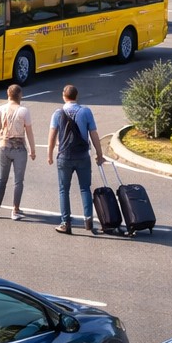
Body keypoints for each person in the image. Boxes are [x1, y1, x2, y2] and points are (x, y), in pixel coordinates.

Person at [47, 83, 105, 234]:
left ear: (63, 96)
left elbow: (52, 136)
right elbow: (93, 134)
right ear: (76, 96)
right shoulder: (86, 112)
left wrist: (49, 154)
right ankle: (88, 221)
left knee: (63, 190)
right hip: (83, 156)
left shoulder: (57, 113)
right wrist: (99, 154)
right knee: (85, 188)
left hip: (64, 157)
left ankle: (66, 223)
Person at [0, 83, 36, 219]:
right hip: (19, 148)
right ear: (20, 95)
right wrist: (32, 150)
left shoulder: (0, 109)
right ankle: (15, 210)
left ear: (8, 94)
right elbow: (29, 132)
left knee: (2, 179)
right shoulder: (24, 111)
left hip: (3, 146)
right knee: (18, 181)